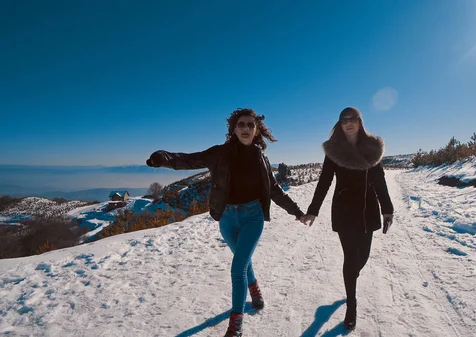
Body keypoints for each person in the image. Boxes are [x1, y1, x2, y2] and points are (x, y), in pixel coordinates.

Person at [146, 108, 304, 337]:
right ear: (234, 129)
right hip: (227, 218)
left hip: (253, 216)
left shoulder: (261, 157)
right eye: (241, 124)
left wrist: (297, 212)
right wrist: (164, 157)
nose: (246, 128)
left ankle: (236, 323)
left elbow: (274, 190)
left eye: (250, 124)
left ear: (257, 129)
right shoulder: (220, 153)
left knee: (238, 266)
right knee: (243, 260)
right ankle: (255, 289)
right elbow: (189, 160)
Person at [301, 107, 394, 331]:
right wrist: (313, 210)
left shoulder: (372, 148)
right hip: (344, 211)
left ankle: (351, 277)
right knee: (350, 258)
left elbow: (379, 180)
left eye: (353, 119)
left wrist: (387, 209)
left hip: (367, 210)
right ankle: (351, 304)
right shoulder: (334, 150)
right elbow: (324, 182)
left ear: (360, 122)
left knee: (363, 256)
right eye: (344, 120)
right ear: (340, 124)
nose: (349, 123)